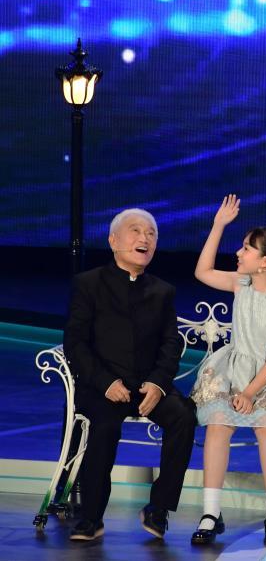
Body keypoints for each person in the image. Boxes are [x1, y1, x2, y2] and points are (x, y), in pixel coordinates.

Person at [63, 208, 197, 541]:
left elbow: (170, 344)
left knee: (183, 416)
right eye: (136, 231)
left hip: (146, 386)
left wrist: (157, 384)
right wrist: (105, 382)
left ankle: (159, 507)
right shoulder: (89, 284)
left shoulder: (163, 291)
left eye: (151, 233)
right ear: (113, 241)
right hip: (102, 385)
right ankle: (91, 517)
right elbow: (75, 342)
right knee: (105, 425)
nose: (145, 238)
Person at [190, 195, 266, 547]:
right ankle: (211, 512)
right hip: (234, 369)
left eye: (246, 249)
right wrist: (218, 225)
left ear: (265, 262)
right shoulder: (240, 284)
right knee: (218, 425)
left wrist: (249, 393)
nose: (239, 254)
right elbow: (202, 272)